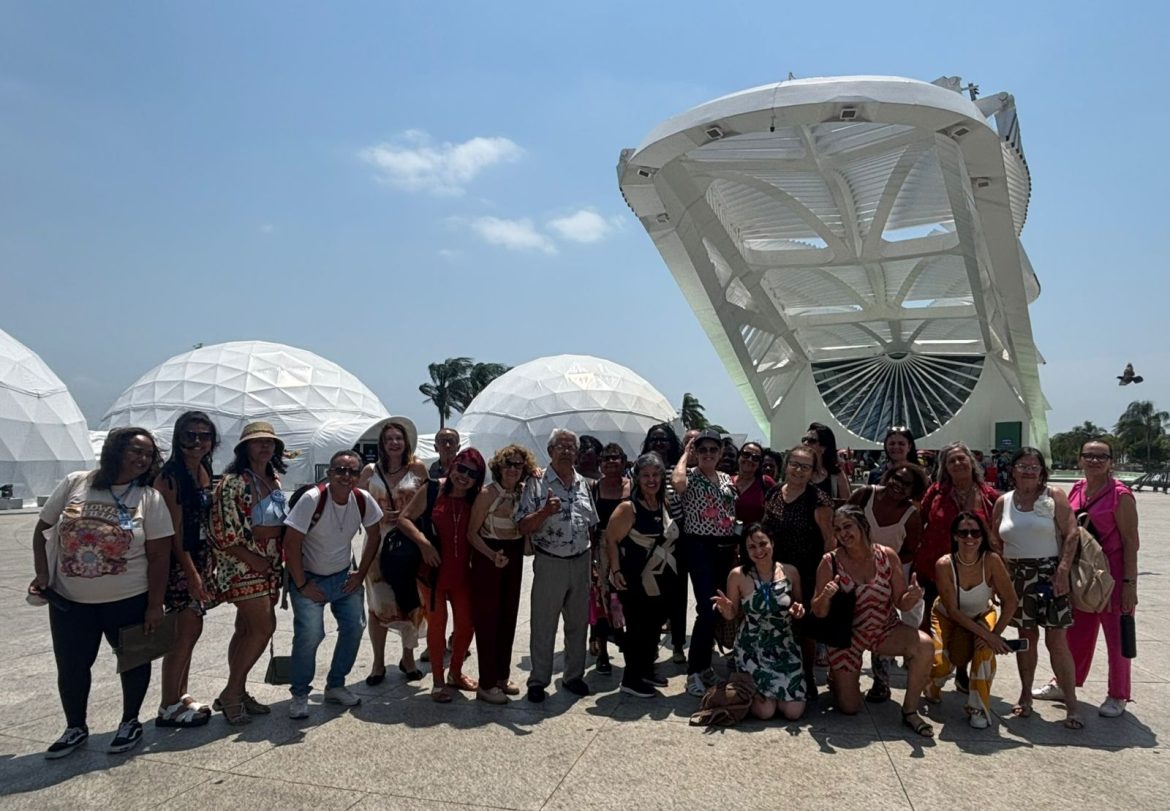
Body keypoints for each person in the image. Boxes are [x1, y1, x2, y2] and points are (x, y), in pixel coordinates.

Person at [30, 427, 173, 758]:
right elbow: (42, 530)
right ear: (115, 450)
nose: (141, 459)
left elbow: (159, 556)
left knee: (134, 661)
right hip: (70, 600)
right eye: (134, 451)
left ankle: (130, 721)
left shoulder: (148, 498)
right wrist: (42, 574)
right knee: (72, 665)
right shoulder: (76, 483)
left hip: (129, 598)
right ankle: (75, 726)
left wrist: (155, 605)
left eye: (148, 454)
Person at [1034, 439, 1140, 717]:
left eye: (1101, 456)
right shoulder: (1079, 489)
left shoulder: (1121, 495)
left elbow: (1131, 542)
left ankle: (1118, 695)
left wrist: (1130, 584)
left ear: (1111, 462)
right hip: (1082, 573)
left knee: (1116, 636)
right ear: (1080, 460)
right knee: (1076, 632)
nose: (1095, 461)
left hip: (1113, 575)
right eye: (1089, 456)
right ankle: (1065, 681)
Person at [812, 506, 935, 737]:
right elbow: (817, 612)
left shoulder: (887, 556)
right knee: (849, 707)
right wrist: (825, 596)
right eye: (837, 529)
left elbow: (901, 602)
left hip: (883, 629)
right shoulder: (830, 562)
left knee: (925, 645)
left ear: (863, 527)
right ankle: (837, 676)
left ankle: (910, 711)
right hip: (845, 636)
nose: (843, 534)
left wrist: (912, 597)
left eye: (848, 526)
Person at [282, 449, 383, 718]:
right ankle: (300, 693)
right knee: (310, 635)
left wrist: (360, 573)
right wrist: (302, 584)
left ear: (360, 476)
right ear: (329, 473)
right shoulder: (312, 499)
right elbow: (291, 542)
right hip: (309, 577)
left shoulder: (362, 499)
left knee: (353, 627)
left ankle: (335, 685)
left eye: (352, 472)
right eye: (340, 470)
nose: (346, 476)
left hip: (343, 576)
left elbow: (374, 533)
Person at [989, 447, 1082, 728]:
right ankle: (1025, 695)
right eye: (1022, 465)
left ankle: (1072, 704)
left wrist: (1063, 569)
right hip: (1016, 575)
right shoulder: (1003, 501)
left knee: (1057, 642)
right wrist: (999, 578)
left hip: (1049, 573)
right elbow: (995, 541)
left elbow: (1071, 532)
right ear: (1013, 469)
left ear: (1042, 470)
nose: (1029, 470)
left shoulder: (1053, 496)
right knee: (1025, 639)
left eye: (1034, 466)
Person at [209, 421, 287, 724]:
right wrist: (253, 559)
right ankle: (231, 693)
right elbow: (223, 531)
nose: (265, 447)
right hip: (244, 565)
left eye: (270, 442)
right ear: (244, 448)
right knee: (263, 628)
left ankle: (237, 691)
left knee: (245, 630)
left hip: (268, 565)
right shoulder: (232, 483)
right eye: (258, 442)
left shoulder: (274, 479)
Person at [516, 429, 599, 702]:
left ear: (577, 453)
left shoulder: (583, 483)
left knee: (577, 623)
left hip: (581, 559)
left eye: (571, 447)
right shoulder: (536, 482)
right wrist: (544, 512)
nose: (566, 451)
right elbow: (522, 525)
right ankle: (538, 680)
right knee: (544, 623)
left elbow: (592, 525)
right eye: (560, 447)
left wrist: (595, 563)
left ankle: (573, 676)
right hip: (551, 561)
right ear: (550, 451)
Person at [400, 447, 485, 702]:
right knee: (437, 625)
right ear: (453, 466)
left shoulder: (477, 497)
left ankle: (455, 672)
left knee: (467, 625)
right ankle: (438, 679)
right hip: (433, 571)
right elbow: (404, 519)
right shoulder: (434, 488)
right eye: (461, 468)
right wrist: (423, 543)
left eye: (472, 473)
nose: (464, 476)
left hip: (463, 573)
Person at [152, 411, 219, 728]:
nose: (196, 442)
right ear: (178, 437)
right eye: (189, 435)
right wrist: (192, 574)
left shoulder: (203, 470)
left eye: (204, 436)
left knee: (191, 631)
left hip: (200, 559)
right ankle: (167, 705)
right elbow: (174, 533)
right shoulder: (171, 477)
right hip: (181, 565)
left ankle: (180, 695)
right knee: (184, 631)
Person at [927, 512, 1018, 729]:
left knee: (984, 652)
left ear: (982, 535)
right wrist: (987, 635)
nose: (970, 537)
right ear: (955, 536)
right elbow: (953, 610)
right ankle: (932, 685)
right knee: (940, 664)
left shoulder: (992, 561)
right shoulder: (944, 564)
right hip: (947, 616)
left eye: (975, 532)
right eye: (963, 532)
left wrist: (993, 636)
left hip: (981, 615)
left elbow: (1011, 601)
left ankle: (978, 707)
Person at [848, 463, 928, 702]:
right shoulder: (864, 495)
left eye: (906, 485)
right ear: (888, 476)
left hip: (888, 575)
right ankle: (842, 675)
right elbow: (841, 522)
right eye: (896, 479)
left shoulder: (911, 515)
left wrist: (883, 564)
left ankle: (881, 681)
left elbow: (911, 550)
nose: (898, 486)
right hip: (851, 568)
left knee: (880, 625)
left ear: (913, 491)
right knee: (848, 621)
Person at [357, 417, 429, 684]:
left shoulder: (417, 468)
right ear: (382, 444)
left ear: (406, 441)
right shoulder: (370, 471)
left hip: (408, 543)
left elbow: (428, 501)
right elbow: (355, 505)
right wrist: (377, 517)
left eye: (398, 438)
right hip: (378, 544)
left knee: (411, 600)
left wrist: (407, 516)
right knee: (379, 604)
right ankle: (378, 663)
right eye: (389, 439)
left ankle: (408, 657)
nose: (394, 443)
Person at [712, 525, 807, 720]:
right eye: (752, 547)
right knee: (765, 712)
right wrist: (726, 609)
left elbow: (798, 607)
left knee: (793, 712)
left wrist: (799, 612)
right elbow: (732, 614)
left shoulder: (790, 572)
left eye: (763, 544)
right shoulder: (738, 575)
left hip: (785, 648)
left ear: (772, 543)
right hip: (752, 648)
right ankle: (750, 689)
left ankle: (776, 695)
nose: (758, 551)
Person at [761, 444, 834, 698]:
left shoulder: (818, 500)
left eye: (806, 467)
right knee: (777, 622)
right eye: (795, 464)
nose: (799, 471)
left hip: (807, 570)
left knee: (805, 628)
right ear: (786, 465)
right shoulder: (772, 493)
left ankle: (807, 675)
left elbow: (829, 541)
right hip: (776, 569)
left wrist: (824, 577)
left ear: (813, 472)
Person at [605, 452, 680, 698]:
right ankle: (632, 678)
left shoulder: (663, 503)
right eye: (646, 475)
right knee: (637, 628)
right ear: (637, 478)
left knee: (653, 627)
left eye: (656, 475)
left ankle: (646, 669)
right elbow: (612, 540)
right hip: (634, 577)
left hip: (660, 579)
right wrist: (615, 570)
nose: (651, 480)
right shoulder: (628, 508)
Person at [467, 444, 537, 704]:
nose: (513, 469)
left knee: (508, 616)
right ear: (499, 467)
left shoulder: (522, 492)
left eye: (518, 465)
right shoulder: (487, 494)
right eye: (508, 464)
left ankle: (500, 676)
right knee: (487, 620)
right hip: (490, 558)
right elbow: (471, 533)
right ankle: (486, 683)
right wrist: (490, 555)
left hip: (513, 555)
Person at [672, 429, 738, 697]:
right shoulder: (690, 476)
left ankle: (705, 665)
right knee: (707, 609)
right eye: (703, 450)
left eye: (713, 450)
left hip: (724, 548)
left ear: (721, 453)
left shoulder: (725, 479)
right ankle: (694, 670)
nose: (708, 454)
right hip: (699, 546)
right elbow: (676, 483)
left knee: (720, 606)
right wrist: (686, 455)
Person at [915, 442, 999, 631]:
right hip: (936, 572)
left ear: (972, 461)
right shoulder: (936, 493)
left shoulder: (989, 496)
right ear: (945, 467)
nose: (958, 463)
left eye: (962, 458)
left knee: (967, 632)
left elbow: (999, 533)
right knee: (933, 626)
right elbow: (918, 521)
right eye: (951, 461)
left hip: (975, 575)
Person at [641, 423, 688, 664]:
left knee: (677, 594)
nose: (659, 444)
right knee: (651, 594)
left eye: (664, 440)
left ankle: (678, 644)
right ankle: (651, 646)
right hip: (648, 541)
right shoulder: (640, 470)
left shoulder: (678, 470)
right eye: (654, 440)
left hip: (677, 540)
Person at [589, 442, 630, 675]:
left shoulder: (632, 487)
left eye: (616, 457)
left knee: (629, 597)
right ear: (600, 463)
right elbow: (591, 526)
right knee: (603, 599)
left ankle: (631, 647)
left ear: (624, 461)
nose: (611, 462)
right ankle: (603, 652)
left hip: (628, 546)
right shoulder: (594, 488)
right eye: (606, 458)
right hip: (602, 549)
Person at [803, 423, 851, 503]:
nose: (805, 443)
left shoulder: (836, 475)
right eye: (804, 439)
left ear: (824, 447)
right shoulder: (799, 471)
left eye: (811, 441)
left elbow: (847, 505)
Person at [733, 441, 775, 525]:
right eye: (746, 454)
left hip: (753, 536)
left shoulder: (766, 482)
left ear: (759, 463)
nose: (749, 459)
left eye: (755, 458)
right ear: (739, 456)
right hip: (726, 536)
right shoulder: (726, 480)